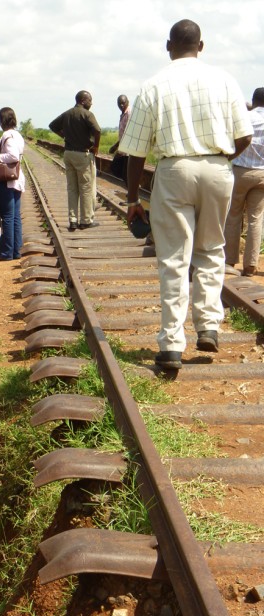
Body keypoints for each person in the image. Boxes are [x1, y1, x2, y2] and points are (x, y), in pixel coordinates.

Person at [120, 19, 253, 371]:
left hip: (174, 169)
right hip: (217, 169)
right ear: (201, 46)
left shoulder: (152, 85)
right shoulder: (225, 80)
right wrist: (220, 160)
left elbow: (135, 152)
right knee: (211, 249)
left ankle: (171, 344)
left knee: (174, 258)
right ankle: (209, 325)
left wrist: (133, 200)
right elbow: (245, 137)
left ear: (168, 46)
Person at [224, 87, 264, 277]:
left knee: (234, 215)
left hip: (240, 171)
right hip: (262, 174)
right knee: (256, 219)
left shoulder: (246, 117)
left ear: (253, 100)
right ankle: (250, 266)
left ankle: (230, 260)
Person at [49, 91, 101, 231]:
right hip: (82, 155)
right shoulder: (87, 114)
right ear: (83, 100)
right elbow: (97, 130)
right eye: (90, 100)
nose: (91, 103)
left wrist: (65, 136)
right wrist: (95, 146)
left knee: (72, 188)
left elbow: (52, 126)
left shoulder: (67, 114)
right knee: (85, 188)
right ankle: (85, 221)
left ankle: (72, 220)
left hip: (68, 153)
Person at [0, 107, 25, 260]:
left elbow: (13, 156)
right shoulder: (17, 135)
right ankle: (15, 251)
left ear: (1, 121)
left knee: (8, 217)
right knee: (14, 217)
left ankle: (5, 252)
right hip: (16, 180)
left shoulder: (7, 136)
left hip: (7, 181)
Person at [109, 94, 131, 183]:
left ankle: (132, 194)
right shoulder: (123, 114)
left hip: (128, 150)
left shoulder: (129, 113)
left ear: (128, 102)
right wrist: (116, 146)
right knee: (119, 170)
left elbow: (128, 133)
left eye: (123, 103)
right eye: (119, 104)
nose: (121, 105)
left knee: (125, 173)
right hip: (123, 149)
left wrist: (118, 149)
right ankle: (131, 192)